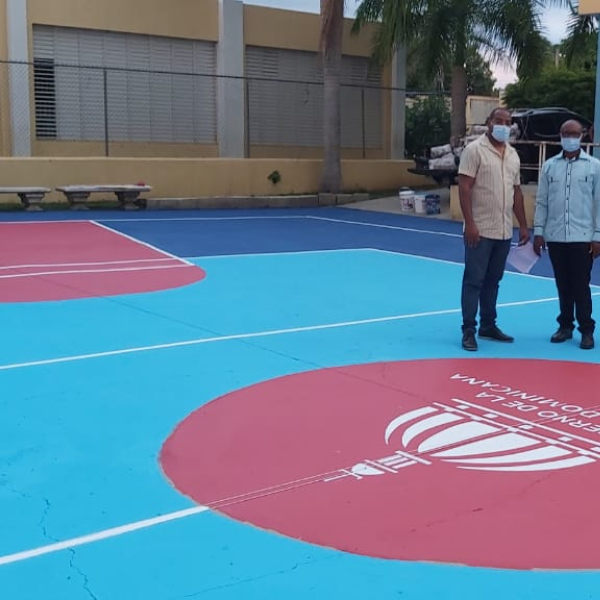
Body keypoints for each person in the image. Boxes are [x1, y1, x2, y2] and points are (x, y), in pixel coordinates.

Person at [458, 107, 530, 351]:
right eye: (498, 121)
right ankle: (469, 329)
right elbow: (465, 187)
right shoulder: (474, 150)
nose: (503, 126)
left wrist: (523, 225)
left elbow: (516, 192)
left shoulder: (513, 155)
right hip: (480, 230)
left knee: (493, 281)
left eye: (508, 122)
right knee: (474, 280)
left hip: (503, 230)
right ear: (489, 122)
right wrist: (470, 223)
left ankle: (488, 325)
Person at [533, 119, 600, 350]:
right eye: (565, 134)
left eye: (574, 134)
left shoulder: (594, 166)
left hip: (582, 237)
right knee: (562, 285)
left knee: (581, 285)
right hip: (556, 236)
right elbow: (542, 201)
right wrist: (539, 232)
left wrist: (597, 236)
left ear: (582, 135)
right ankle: (565, 326)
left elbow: (599, 203)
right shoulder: (549, 166)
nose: (569, 138)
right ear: (560, 136)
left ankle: (587, 330)